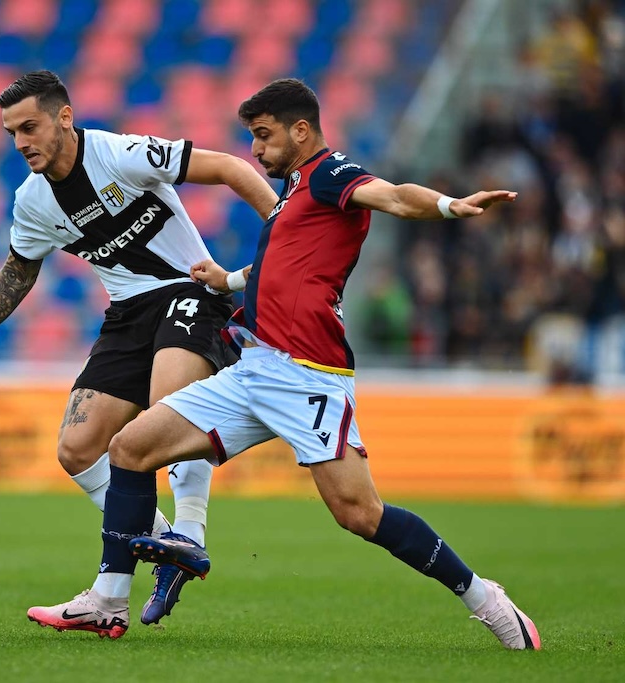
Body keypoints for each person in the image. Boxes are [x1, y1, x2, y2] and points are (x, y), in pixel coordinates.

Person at [27, 78, 542, 650]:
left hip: (309, 378)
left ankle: (484, 597)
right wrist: (227, 280)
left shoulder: (329, 173)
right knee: (129, 448)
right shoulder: (295, 196)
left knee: (358, 513)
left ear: (301, 131)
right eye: (252, 137)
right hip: (255, 369)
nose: (256, 150)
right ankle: (108, 598)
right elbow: (282, 271)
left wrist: (450, 206)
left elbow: (393, 196)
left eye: (264, 136)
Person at [0, 70, 278, 624]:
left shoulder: (120, 154)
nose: (21, 142)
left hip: (188, 292)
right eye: (11, 132)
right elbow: (18, 270)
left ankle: (184, 535)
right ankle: (167, 545)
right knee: (76, 450)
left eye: (29, 126)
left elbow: (226, 167)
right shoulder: (33, 202)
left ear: (64, 117)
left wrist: (284, 229)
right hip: (127, 315)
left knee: (164, 419)